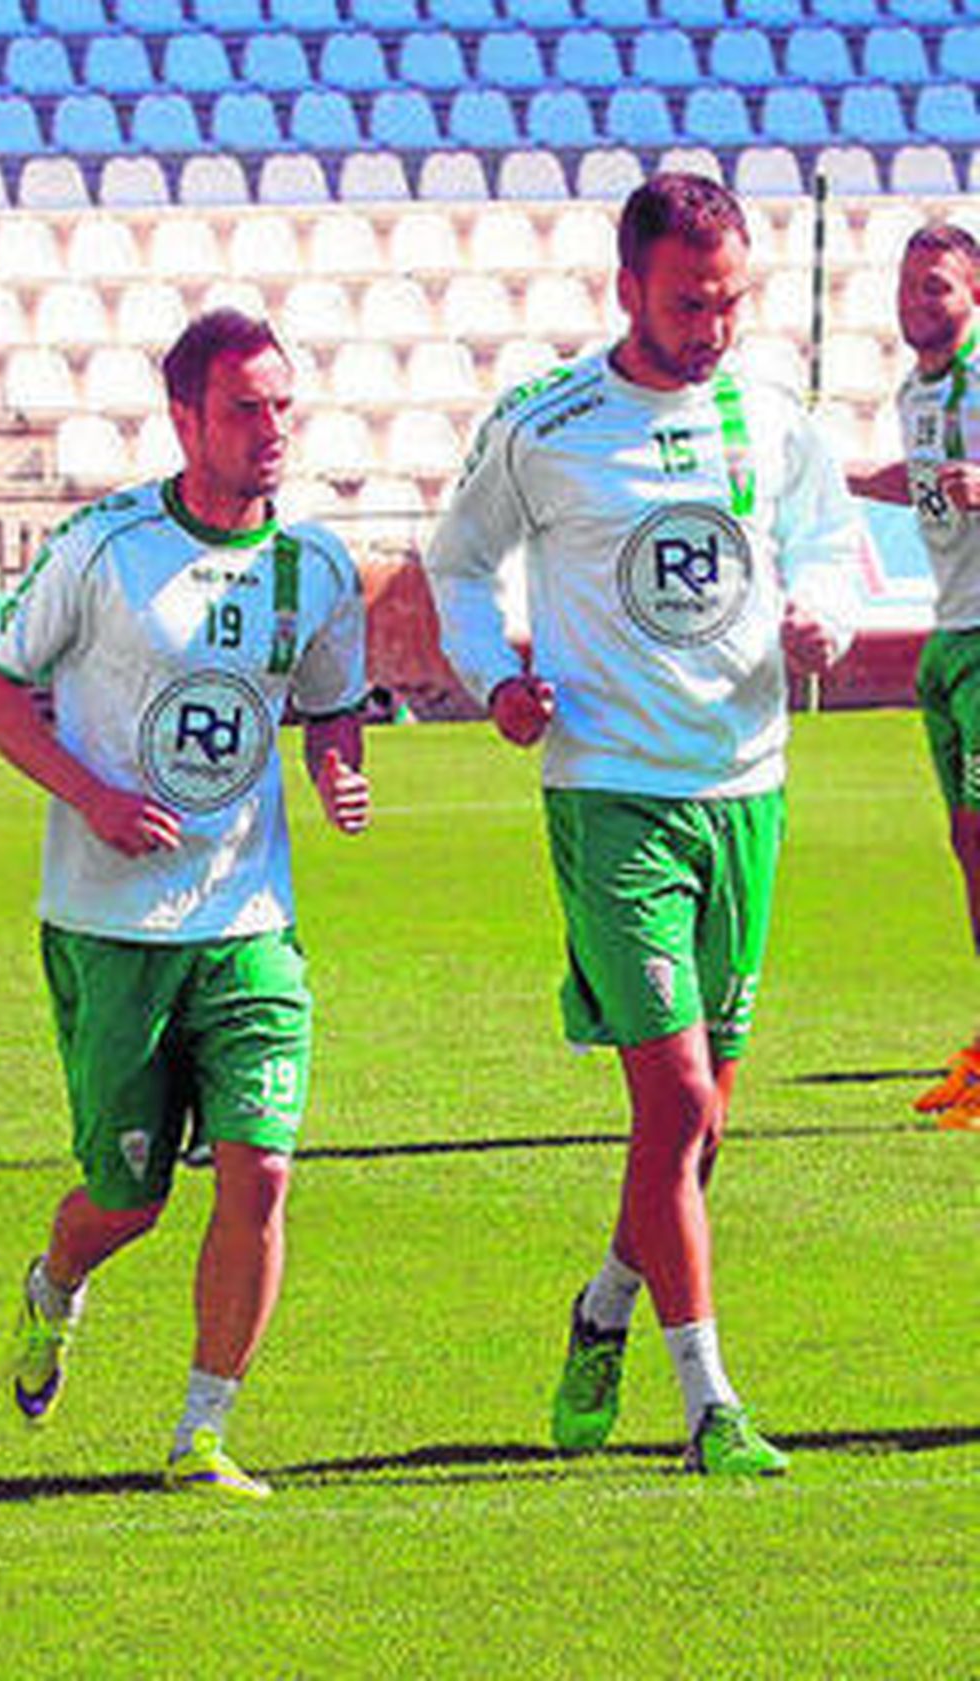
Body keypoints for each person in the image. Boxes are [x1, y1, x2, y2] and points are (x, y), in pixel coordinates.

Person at [426, 175, 861, 1477]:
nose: (712, 324)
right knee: (670, 1093)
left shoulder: (772, 418)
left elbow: (834, 544)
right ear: (628, 288)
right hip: (612, 791)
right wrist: (490, 676)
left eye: (730, 300)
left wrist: (824, 613)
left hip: (750, 788)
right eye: (687, 300)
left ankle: (603, 1305)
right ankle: (708, 1402)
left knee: (701, 1124)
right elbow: (456, 563)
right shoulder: (547, 424)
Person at [0, 309, 370, 1501]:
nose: (271, 429)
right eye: (244, 409)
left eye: (282, 406)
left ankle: (202, 1433)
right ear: (184, 419)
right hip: (112, 926)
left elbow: (330, 702)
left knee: (263, 1169)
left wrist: (338, 762)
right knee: (126, 1199)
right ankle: (54, 1281)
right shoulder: (102, 547)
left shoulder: (317, 567)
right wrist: (88, 794)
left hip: (248, 922)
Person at [846, 223, 980, 1131]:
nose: (915, 302)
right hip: (950, 637)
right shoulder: (916, 389)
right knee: (968, 847)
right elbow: (927, 477)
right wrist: (843, 476)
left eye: (935, 286)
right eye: (907, 286)